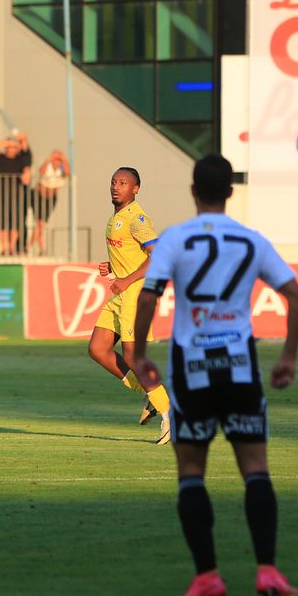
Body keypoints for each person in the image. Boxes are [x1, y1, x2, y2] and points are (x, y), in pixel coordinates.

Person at [133, 154, 298, 596]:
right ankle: (267, 571)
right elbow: (294, 295)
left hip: (192, 369)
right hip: (240, 367)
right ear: (231, 192)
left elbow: (149, 297)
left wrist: (137, 354)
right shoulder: (250, 240)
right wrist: (288, 356)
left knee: (192, 473)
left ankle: (207, 576)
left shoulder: (176, 239)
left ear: (193, 191)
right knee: (255, 470)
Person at [87, 166, 172, 443]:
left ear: (135, 189)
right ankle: (150, 393)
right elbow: (133, 254)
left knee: (134, 357)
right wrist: (113, 266)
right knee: (98, 349)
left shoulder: (137, 218)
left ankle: (170, 414)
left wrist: (126, 279)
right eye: (114, 181)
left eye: (123, 183)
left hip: (135, 295)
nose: (116, 186)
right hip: (122, 294)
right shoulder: (116, 218)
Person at [0, 132, 31, 255]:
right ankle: (4, 247)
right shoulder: (0, 158)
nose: (11, 149)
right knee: (2, 222)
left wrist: (21, 140)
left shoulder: (21, 159)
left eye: (14, 147)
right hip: (1, 193)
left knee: (15, 221)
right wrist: (8, 141)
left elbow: (26, 154)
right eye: (9, 147)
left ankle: (11, 247)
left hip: (16, 194)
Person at [31, 149, 69, 256]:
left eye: (58, 160)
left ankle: (32, 246)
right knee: (40, 223)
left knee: (41, 224)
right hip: (39, 196)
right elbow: (41, 171)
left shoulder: (62, 169)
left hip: (51, 199)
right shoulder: (47, 166)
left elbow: (67, 172)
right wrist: (49, 158)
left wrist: (63, 158)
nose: (56, 162)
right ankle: (37, 247)